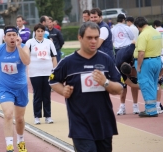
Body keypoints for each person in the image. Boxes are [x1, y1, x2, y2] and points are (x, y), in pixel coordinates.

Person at [49, 22, 123, 152]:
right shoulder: (68, 61)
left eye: (96, 37)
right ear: (80, 38)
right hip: (80, 123)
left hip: (103, 122)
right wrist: (63, 90)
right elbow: (53, 81)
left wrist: (105, 82)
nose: (94, 41)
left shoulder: (106, 60)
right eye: (89, 38)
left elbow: (119, 88)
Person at [0, 25, 30, 152]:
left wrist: (19, 47)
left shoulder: (24, 47)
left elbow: (27, 62)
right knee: (8, 114)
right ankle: (9, 146)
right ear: (4, 37)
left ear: (17, 37)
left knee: (20, 119)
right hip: (5, 87)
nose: (12, 38)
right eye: (9, 35)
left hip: (21, 88)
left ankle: (21, 141)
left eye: (14, 35)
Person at [25, 23, 57, 125]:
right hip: (35, 72)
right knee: (38, 94)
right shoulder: (30, 42)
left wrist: (54, 71)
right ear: (35, 32)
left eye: (42, 31)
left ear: (44, 32)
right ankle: (37, 116)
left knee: (47, 95)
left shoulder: (49, 42)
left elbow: (54, 57)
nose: (40, 33)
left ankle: (48, 116)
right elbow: (25, 57)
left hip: (48, 72)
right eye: (38, 31)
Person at [134, 17, 162, 117]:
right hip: (157, 60)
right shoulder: (156, 32)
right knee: (153, 85)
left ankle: (151, 110)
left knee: (146, 85)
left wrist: (138, 66)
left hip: (146, 62)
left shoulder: (143, 35)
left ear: (138, 26)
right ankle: (153, 108)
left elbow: (141, 53)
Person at [115, 43, 140, 115]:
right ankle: (122, 106)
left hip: (133, 58)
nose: (129, 76)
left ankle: (135, 105)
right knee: (123, 86)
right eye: (128, 75)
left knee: (134, 80)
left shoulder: (130, 51)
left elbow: (134, 42)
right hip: (120, 58)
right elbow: (131, 85)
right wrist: (142, 87)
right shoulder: (118, 67)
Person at [153, 20, 163, 114]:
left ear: (154, 25)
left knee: (157, 82)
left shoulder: (154, 32)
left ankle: (157, 104)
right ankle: (158, 104)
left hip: (158, 57)